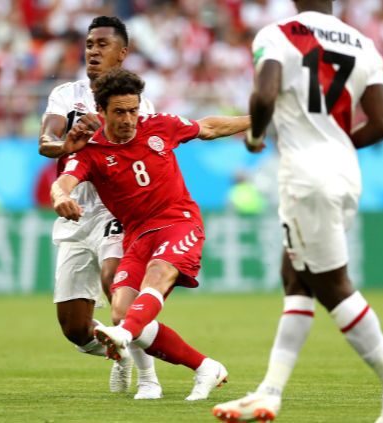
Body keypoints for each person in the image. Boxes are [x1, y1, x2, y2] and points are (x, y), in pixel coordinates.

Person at [212, 1, 383, 422]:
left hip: (306, 176)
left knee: (332, 285)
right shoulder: (365, 44)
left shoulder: (278, 34)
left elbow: (265, 94)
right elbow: (382, 123)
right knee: (297, 275)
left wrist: (255, 136)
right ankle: (270, 392)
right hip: (346, 173)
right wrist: (339, 145)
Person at [51, 68, 251, 400]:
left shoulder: (160, 125)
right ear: (102, 113)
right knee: (120, 313)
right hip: (137, 236)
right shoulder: (91, 152)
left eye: (133, 109)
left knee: (156, 277)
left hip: (179, 222)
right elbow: (64, 182)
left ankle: (124, 337)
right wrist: (61, 198)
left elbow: (210, 127)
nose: (129, 119)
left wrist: (260, 117)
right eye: (119, 112)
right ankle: (205, 367)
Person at [38, 16, 160, 399]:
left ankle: (148, 378)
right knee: (73, 328)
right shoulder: (66, 94)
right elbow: (46, 140)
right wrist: (68, 146)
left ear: (122, 54)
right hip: (73, 208)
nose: (93, 50)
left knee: (116, 283)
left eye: (103, 44)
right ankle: (118, 352)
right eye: (90, 43)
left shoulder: (139, 105)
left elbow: (148, 159)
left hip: (116, 210)